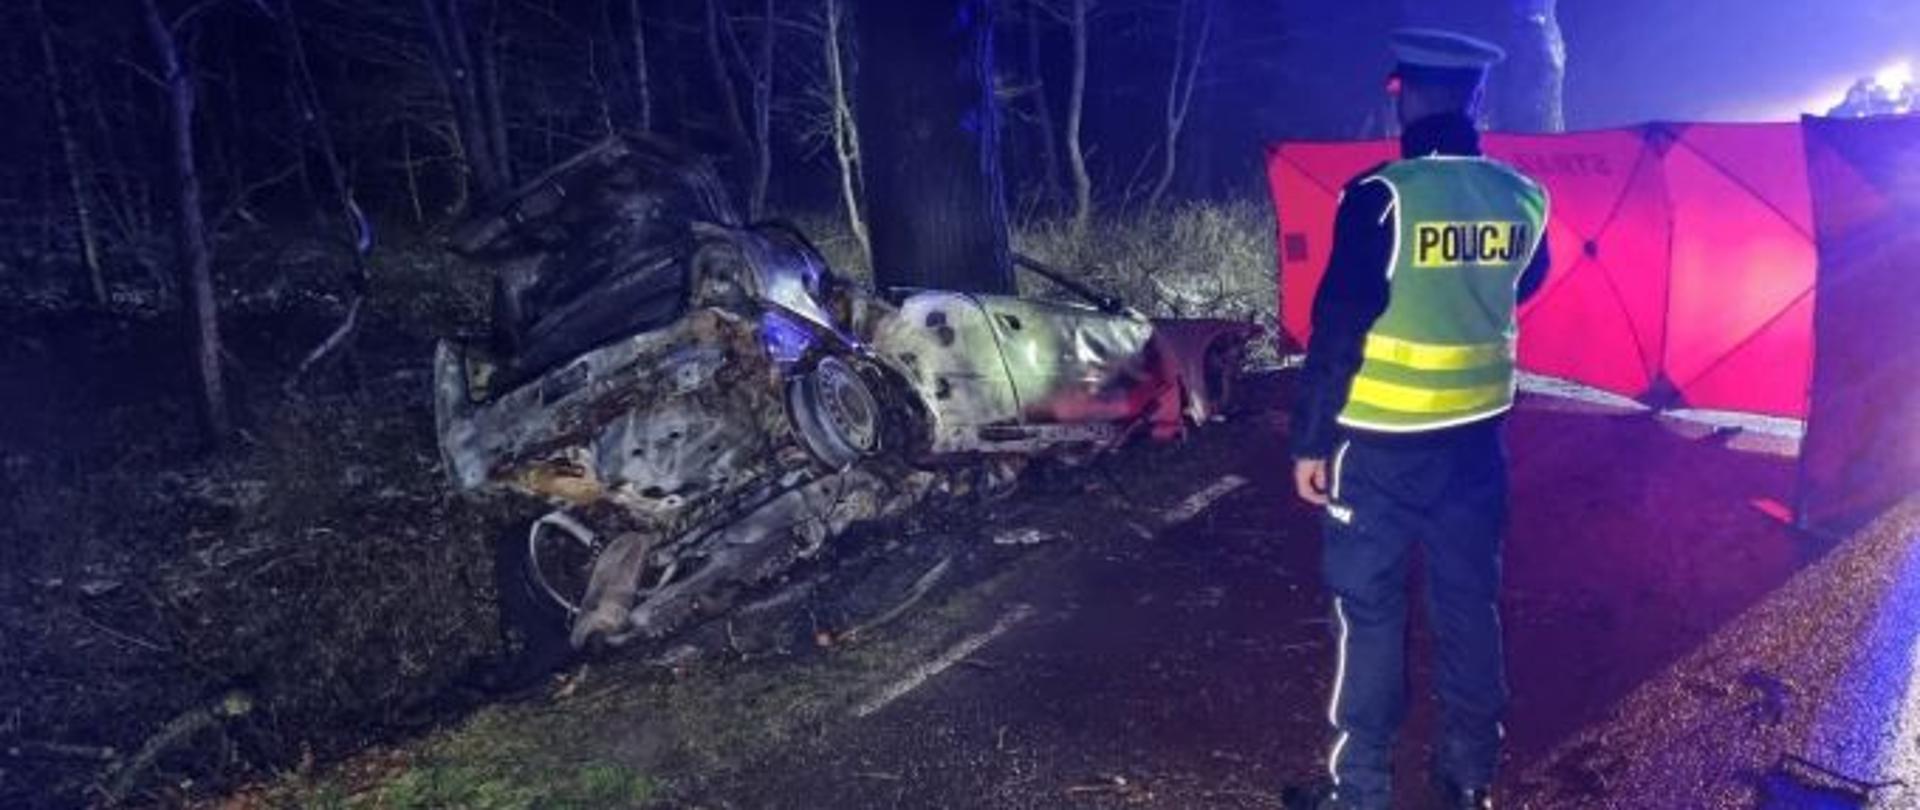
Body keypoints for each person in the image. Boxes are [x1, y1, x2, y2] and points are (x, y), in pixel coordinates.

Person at [1283, 28, 1552, 810]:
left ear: (1402, 95)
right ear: (1477, 99)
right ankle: (1468, 782)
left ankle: (1359, 791)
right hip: (1476, 446)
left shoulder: (1383, 195)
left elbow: (1338, 329)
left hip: (1378, 447)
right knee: (1469, 605)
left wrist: (1309, 441)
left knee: (1369, 612)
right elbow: (1523, 281)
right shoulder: (1522, 195)